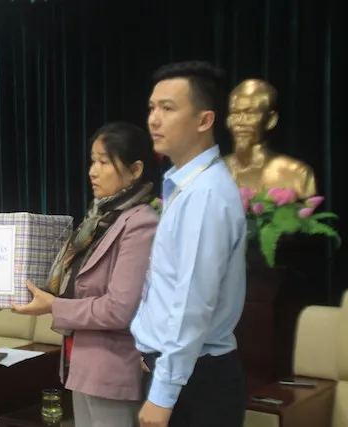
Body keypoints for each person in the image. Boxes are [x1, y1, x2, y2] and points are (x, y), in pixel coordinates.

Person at [12, 122, 159, 427]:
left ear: (135, 170)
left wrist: (54, 306)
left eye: (104, 162)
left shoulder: (140, 223)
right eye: (93, 161)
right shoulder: (97, 220)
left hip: (113, 367)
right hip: (80, 362)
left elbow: (119, 309)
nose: (93, 171)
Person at [131, 61, 247, 427]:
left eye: (168, 108)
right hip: (182, 370)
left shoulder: (205, 194)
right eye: (152, 107)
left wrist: (163, 394)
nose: (154, 119)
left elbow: (191, 304)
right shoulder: (188, 185)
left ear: (204, 120)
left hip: (194, 380)